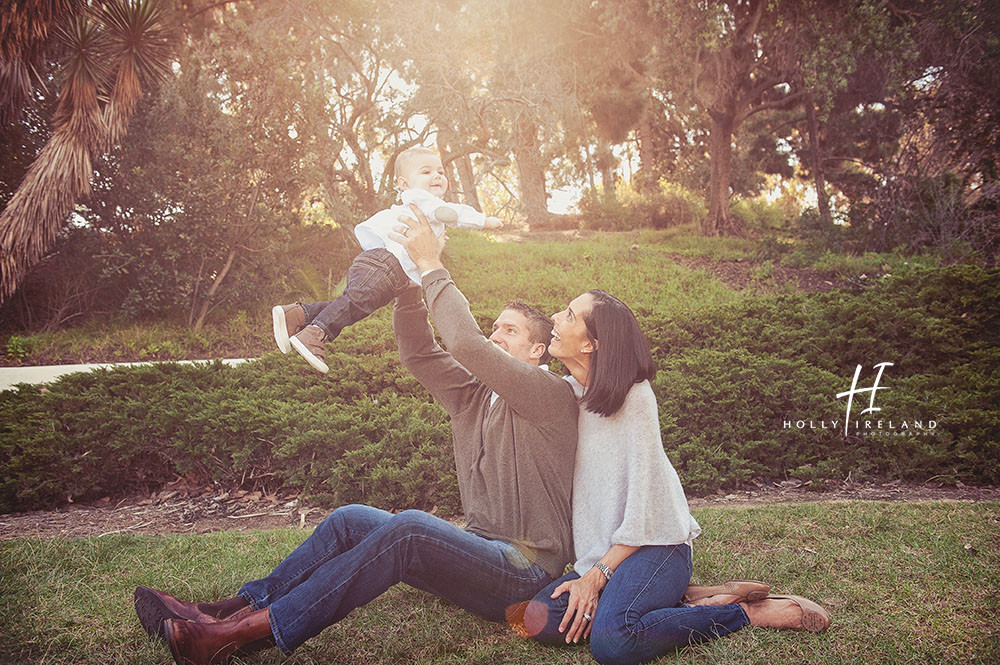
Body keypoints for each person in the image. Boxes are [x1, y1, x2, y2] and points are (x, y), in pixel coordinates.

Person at [133, 204, 578, 665]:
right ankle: (223, 612)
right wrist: (407, 291)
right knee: (349, 519)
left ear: (538, 351)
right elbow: (419, 354)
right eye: (494, 326)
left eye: (509, 330)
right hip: (477, 553)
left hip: (523, 571)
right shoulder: (473, 395)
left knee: (409, 527)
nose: (495, 336)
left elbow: (464, 342)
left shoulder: (548, 394)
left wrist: (431, 264)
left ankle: (236, 637)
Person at [518, 289, 831, 665]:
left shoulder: (634, 399)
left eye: (569, 315)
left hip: (658, 547)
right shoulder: (569, 395)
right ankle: (689, 596)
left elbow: (646, 509)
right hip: (608, 555)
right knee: (541, 618)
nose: (554, 316)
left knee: (614, 642)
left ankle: (747, 613)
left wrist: (597, 576)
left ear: (591, 344)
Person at [272, 146, 503, 374]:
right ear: (404, 184)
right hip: (385, 265)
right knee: (357, 302)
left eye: (441, 171)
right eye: (426, 172)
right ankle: (316, 333)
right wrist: (483, 221)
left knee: (355, 303)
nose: (437, 176)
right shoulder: (422, 199)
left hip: (385, 267)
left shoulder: (421, 202)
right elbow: (450, 212)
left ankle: (298, 315)